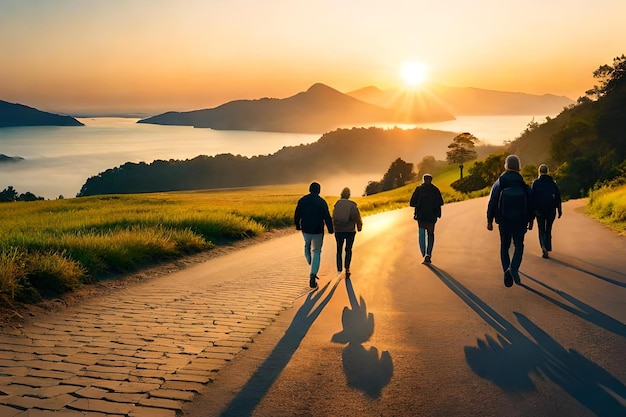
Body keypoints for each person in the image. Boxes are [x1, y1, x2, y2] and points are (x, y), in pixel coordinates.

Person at [486, 155, 534, 287]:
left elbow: (492, 202)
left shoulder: (500, 182)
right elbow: (530, 203)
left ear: (506, 165)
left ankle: (506, 270)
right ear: (519, 166)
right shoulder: (522, 183)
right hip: (521, 220)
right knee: (519, 245)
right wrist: (531, 220)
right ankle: (513, 268)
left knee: (504, 246)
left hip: (504, 219)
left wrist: (489, 220)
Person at [294, 181, 334, 288]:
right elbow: (327, 216)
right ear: (319, 190)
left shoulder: (302, 200)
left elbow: (297, 214)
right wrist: (330, 229)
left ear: (309, 189)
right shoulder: (321, 202)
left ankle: (309, 261)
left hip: (306, 229)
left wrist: (297, 225)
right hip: (318, 230)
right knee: (316, 251)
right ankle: (313, 274)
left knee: (307, 244)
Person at [409, 173, 444, 264]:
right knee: (430, 234)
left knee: (422, 235)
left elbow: (412, 202)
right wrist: (438, 213)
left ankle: (424, 253)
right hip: (431, 217)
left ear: (423, 179)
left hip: (421, 216)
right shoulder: (435, 190)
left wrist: (419, 206)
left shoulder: (419, 189)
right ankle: (428, 254)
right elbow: (440, 203)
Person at [531, 164, 562, 259]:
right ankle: (548, 247)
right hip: (551, 210)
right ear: (547, 171)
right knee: (548, 229)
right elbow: (558, 197)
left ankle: (543, 246)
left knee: (541, 229)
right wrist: (559, 210)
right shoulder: (552, 182)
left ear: (539, 172)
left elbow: (532, 198)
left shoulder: (535, 183)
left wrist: (532, 211)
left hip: (539, 210)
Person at [332, 187, 363, 278]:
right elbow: (356, 217)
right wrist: (359, 226)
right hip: (350, 230)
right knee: (348, 249)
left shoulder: (337, 204)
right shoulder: (352, 205)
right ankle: (347, 269)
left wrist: (333, 228)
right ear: (349, 195)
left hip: (338, 230)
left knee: (339, 249)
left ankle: (339, 268)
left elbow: (334, 216)